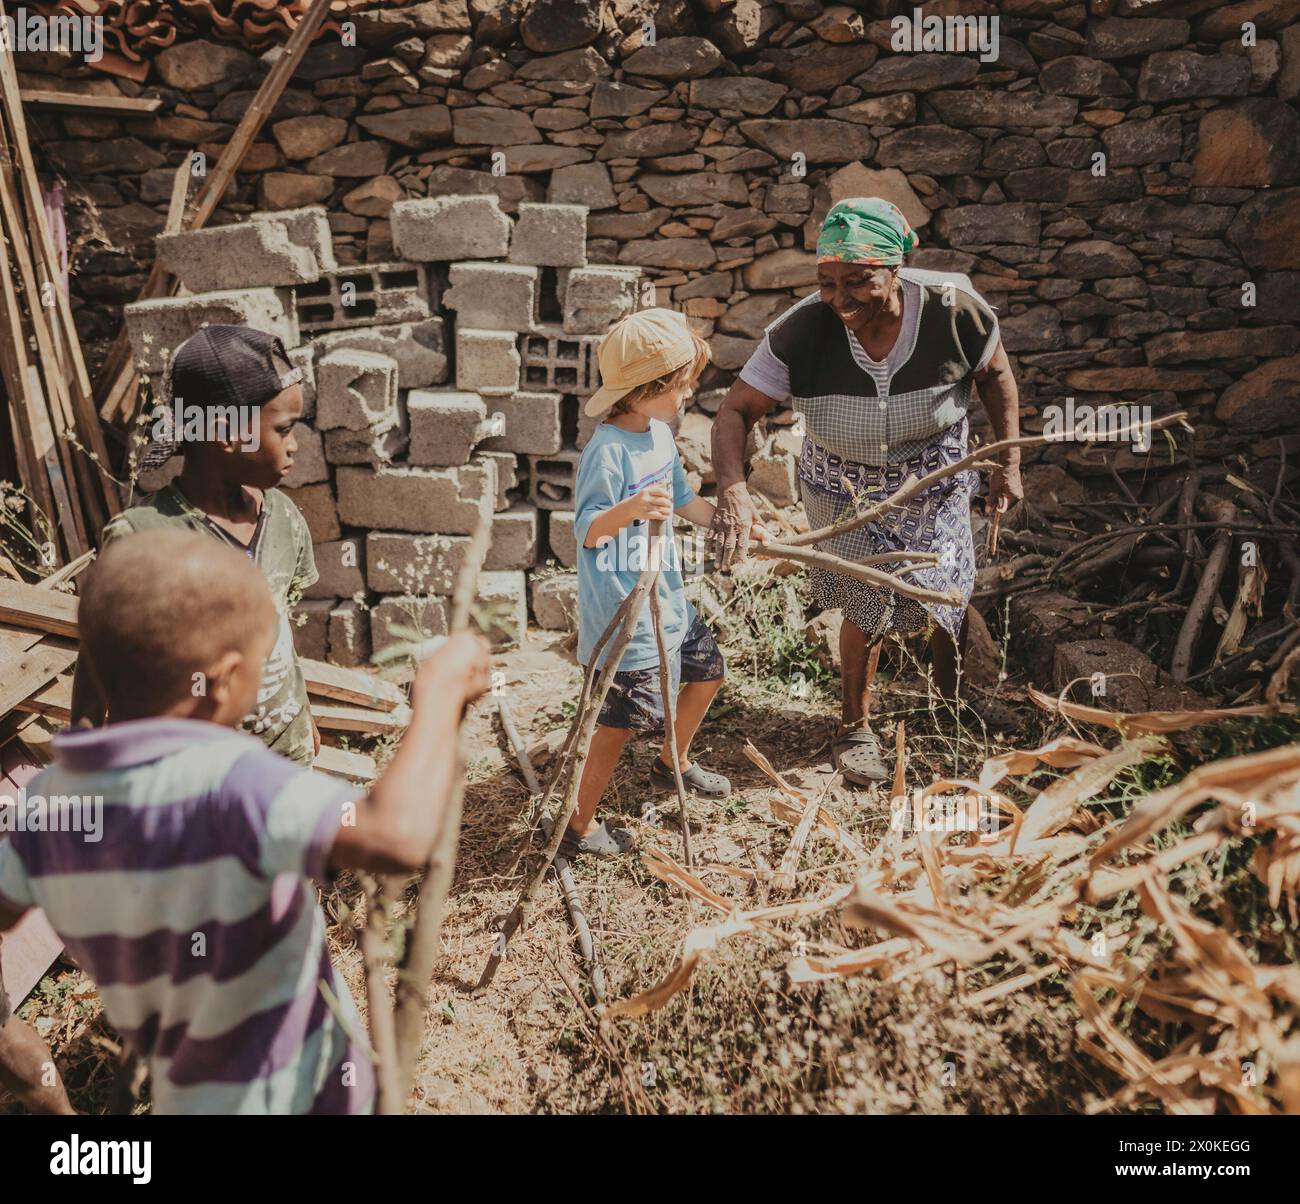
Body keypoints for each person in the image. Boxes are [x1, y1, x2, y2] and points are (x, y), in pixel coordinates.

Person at [0, 530, 490, 1114]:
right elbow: (394, 833)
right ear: (225, 681)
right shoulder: (229, 782)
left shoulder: (46, 808)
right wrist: (436, 696)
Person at [709, 197, 1023, 786]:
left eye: (857, 282)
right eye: (827, 283)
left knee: (947, 591)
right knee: (866, 600)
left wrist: (1008, 460)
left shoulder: (956, 311)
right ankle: (854, 728)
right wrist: (733, 489)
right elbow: (733, 412)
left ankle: (950, 706)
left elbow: (996, 376)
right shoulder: (802, 330)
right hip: (841, 485)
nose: (839, 298)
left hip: (934, 477)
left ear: (895, 269)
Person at [70, 325, 321, 766]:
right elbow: (96, 668)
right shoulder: (143, 538)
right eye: (283, 429)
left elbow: (280, 626)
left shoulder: (283, 520)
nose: (295, 445)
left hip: (284, 767)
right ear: (227, 433)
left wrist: (305, 717)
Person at [568, 309, 768, 858]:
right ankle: (577, 825)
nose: (687, 396)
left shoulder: (659, 434)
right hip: (626, 613)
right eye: (680, 386)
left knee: (707, 673)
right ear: (642, 389)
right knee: (617, 724)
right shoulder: (606, 452)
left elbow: (682, 501)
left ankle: (671, 763)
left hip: (668, 601)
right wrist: (629, 508)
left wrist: (732, 522)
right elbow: (586, 531)